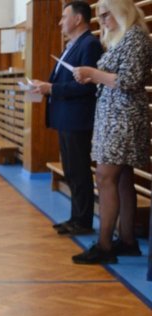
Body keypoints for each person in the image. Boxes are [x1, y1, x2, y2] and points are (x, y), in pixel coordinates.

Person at [72, 0, 152, 264]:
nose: (102, 21)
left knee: (105, 177)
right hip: (114, 116)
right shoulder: (122, 38)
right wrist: (92, 76)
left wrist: (93, 74)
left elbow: (129, 80)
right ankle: (127, 240)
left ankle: (104, 245)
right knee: (122, 178)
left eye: (106, 15)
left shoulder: (135, 37)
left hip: (123, 117)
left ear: (121, 11)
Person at [32, 1, 103, 237]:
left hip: (77, 119)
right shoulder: (72, 45)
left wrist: (52, 88)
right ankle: (75, 218)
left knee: (79, 171)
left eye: (64, 17)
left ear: (78, 19)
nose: (61, 22)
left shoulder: (89, 44)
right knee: (71, 171)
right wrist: (46, 86)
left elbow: (87, 86)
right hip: (66, 118)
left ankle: (83, 221)